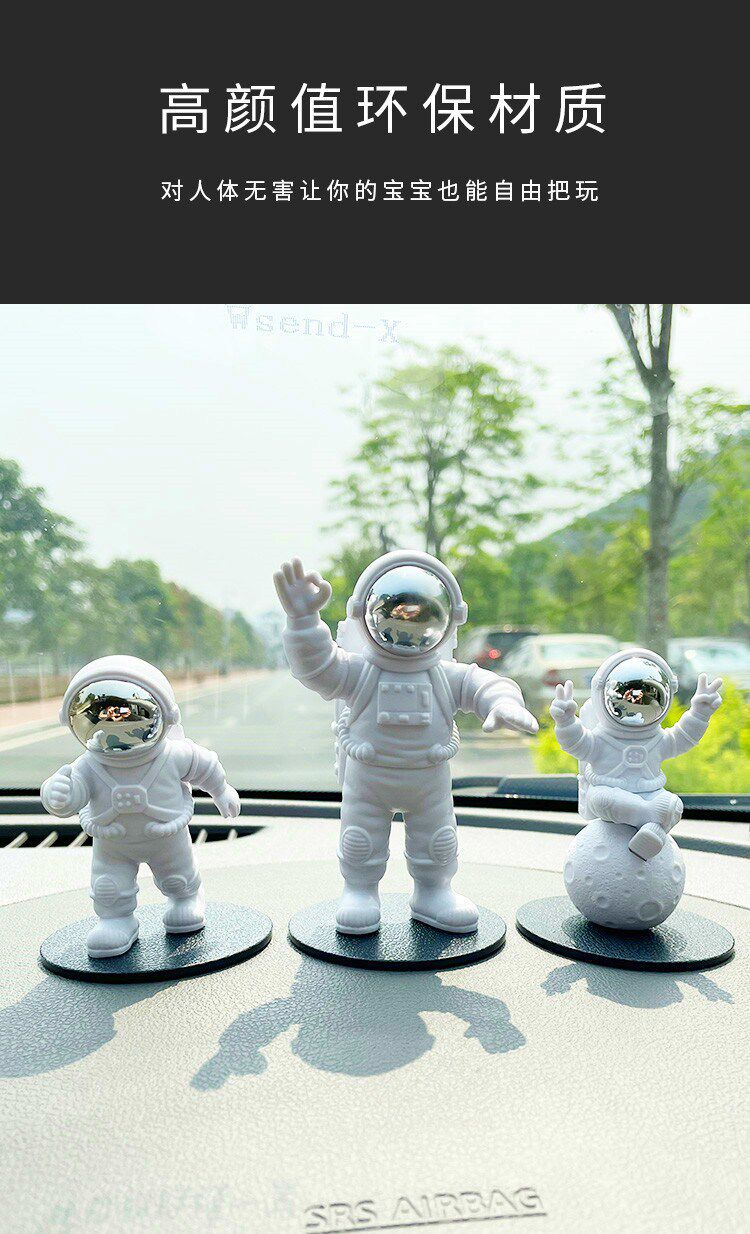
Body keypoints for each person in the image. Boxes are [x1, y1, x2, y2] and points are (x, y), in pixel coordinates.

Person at [275, 551, 537, 935]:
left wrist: (504, 703)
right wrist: (303, 622)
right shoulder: (358, 670)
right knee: (360, 840)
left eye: (421, 617)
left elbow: (485, 683)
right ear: (366, 615)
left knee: (437, 841)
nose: (408, 626)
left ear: (448, 619)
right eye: (396, 616)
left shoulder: (445, 674)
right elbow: (317, 668)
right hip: (369, 779)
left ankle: (434, 892)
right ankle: (360, 891)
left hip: (428, 781)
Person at [41, 655, 240, 957]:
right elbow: (73, 795)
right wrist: (57, 794)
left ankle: (186, 899)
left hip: (166, 836)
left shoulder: (173, 755)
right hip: (112, 843)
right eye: (104, 714)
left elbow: (205, 766)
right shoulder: (88, 766)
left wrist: (221, 791)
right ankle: (116, 920)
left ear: (165, 714)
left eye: (130, 713)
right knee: (109, 887)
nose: (117, 722)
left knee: (179, 877)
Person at [550, 648, 722, 859]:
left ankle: (650, 828)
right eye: (628, 696)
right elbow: (576, 743)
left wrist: (700, 714)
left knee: (675, 805)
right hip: (608, 791)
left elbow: (683, 738)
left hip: (651, 791)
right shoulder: (601, 739)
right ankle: (652, 824)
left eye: (648, 696)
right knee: (601, 800)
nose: (637, 703)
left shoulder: (657, 738)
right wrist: (566, 722)